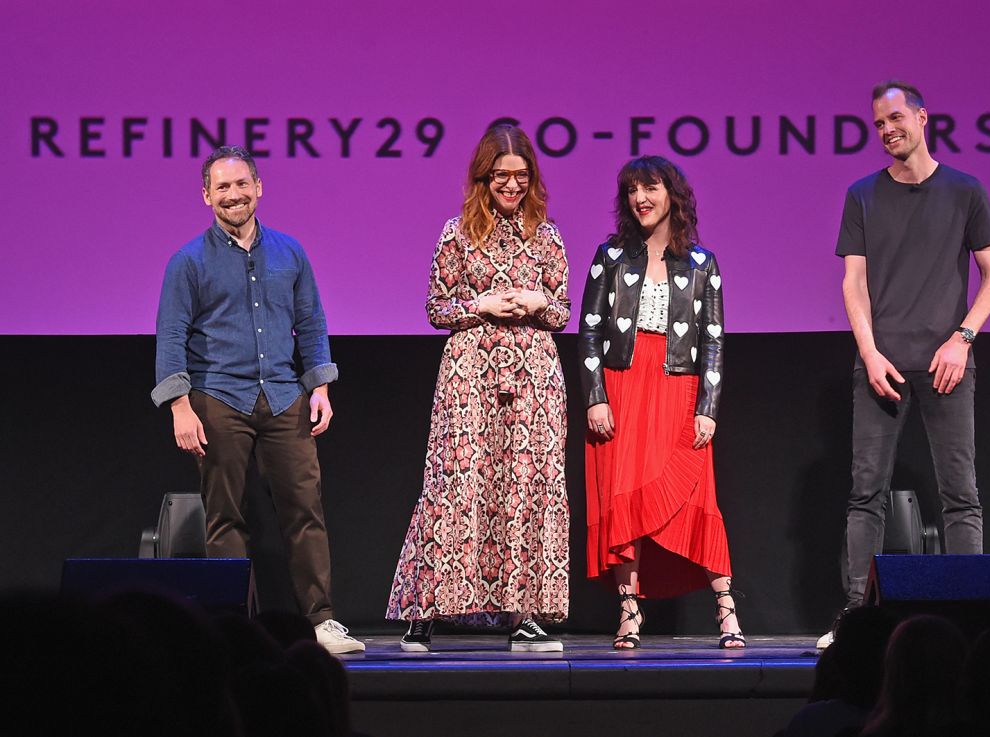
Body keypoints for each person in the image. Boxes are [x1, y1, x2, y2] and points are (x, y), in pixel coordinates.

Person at [152, 145, 363, 655]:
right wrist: (180, 406)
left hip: (284, 394)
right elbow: (171, 335)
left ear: (258, 187)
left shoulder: (290, 252)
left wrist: (321, 386)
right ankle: (233, 628)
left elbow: (310, 321)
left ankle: (321, 620)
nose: (233, 195)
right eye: (222, 187)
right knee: (225, 514)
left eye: (241, 184)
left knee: (304, 508)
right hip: (218, 395)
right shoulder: (188, 262)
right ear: (206, 196)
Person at [820, 81, 990, 649]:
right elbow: (853, 282)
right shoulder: (862, 195)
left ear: (923, 118)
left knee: (960, 494)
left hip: (947, 362)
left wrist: (963, 338)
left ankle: (967, 617)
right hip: (881, 364)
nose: (886, 131)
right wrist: (869, 352)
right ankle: (858, 619)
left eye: (895, 118)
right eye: (878, 124)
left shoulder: (965, 190)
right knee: (865, 494)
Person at [385, 125, 571, 653]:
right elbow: (434, 307)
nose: (510, 186)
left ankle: (524, 616)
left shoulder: (547, 234)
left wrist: (536, 303)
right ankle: (424, 612)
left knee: (527, 488)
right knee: (454, 483)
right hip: (470, 374)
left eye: (520, 176)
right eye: (500, 177)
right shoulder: (457, 233)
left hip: (534, 377)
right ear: (483, 178)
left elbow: (562, 311)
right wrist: (479, 307)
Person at [579, 155, 743, 649]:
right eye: (632, 190)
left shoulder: (701, 262)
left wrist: (708, 407)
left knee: (697, 497)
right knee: (623, 495)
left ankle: (727, 610)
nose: (640, 199)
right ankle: (628, 612)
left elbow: (713, 339)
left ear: (672, 193)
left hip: (679, 388)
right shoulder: (610, 256)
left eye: (649, 187)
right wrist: (595, 398)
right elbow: (588, 332)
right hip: (622, 386)